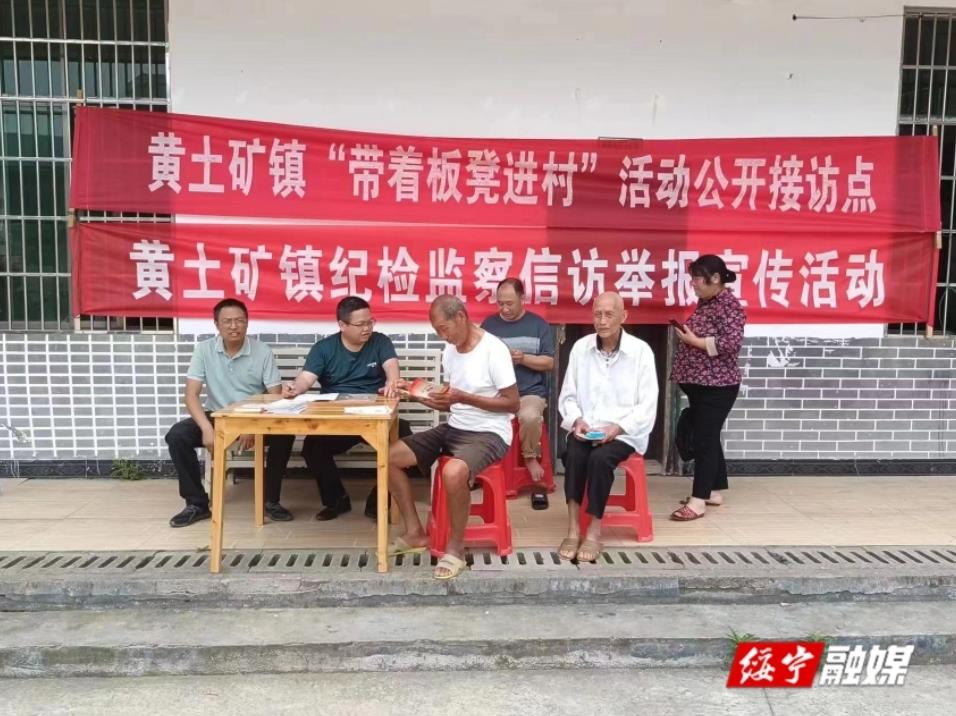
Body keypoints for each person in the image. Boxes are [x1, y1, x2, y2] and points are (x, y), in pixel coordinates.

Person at [386, 295, 519, 580]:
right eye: (437, 332)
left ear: (461, 317)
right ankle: (415, 532)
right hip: (456, 425)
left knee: (453, 472)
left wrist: (464, 398)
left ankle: (456, 548)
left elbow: (512, 404)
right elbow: (450, 402)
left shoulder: (494, 349)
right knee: (389, 458)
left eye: (444, 329)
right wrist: (414, 393)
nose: (443, 337)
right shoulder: (450, 351)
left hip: (490, 432)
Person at [165, 298, 293, 527]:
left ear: (247, 322)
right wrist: (207, 428)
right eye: (227, 321)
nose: (234, 326)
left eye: (239, 321)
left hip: (254, 416)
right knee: (177, 435)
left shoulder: (262, 351)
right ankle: (197, 504)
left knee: (284, 435)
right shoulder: (204, 350)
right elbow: (191, 395)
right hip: (218, 416)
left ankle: (271, 501)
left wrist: (252, 425)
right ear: (217, 324)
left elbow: (274, 396)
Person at [557, 292, 659, 562]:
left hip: (624, 432)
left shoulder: (640, 352)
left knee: (600, 459)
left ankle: (593, 531)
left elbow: (647, 405)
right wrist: (577, 420)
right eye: (597, 314)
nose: (602, 321)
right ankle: (573, 528)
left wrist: (617, 428)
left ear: (623, 316)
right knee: (574, 454)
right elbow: (568, 396)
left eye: (609, 315)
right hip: (587, 427)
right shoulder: (581, 348)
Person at [279, 296, 400, 520]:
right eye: (360, 324)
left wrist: (392, 382)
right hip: (338, 418)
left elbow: (391, 366)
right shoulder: (324, 348)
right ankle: (336, 500)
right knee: (313, 449)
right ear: (342, 325)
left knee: (405, 443)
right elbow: (306, 378)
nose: (367, 328)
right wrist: (294, 388)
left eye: (370, 322)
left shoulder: (380, 342)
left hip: (374, 417)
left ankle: (379, 499)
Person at [669, 254, 746, 521]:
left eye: (698, 279)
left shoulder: (729, 305)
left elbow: (731, 343)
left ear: (715, 278)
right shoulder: (707, 303)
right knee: (709, 436)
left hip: (718, 386)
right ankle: (713, 491)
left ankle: (698, 501)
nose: (693, 283)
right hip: (702, 384)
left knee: (704, 439)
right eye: (692, 278)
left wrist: (695, 342)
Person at [481, 277, 555, 494]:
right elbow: (478, 358)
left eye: (509, 303)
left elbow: (549, 362)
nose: (504, 309)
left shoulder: (538, 325)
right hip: (498, 393)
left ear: (522, 298)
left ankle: (530, 457)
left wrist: (523, 359)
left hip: (529, 393)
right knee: (472, 415)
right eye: (500, 303)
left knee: (530, 417)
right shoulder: (488, 326)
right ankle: (480, 467)